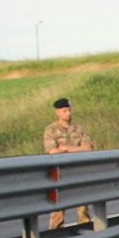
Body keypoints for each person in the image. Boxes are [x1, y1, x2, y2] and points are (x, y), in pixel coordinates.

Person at [43, 97, 94, 229]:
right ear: (57, 112)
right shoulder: (51, 130)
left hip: (78, 173)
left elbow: (88, 148)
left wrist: (67, 149)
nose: (68, 113)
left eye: (69, 110)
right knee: (57, 213)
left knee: (83, 210)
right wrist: (77, 151)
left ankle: (86, 237)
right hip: (59, 175)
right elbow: (52, 151)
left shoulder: (78, 129)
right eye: (65, 110)